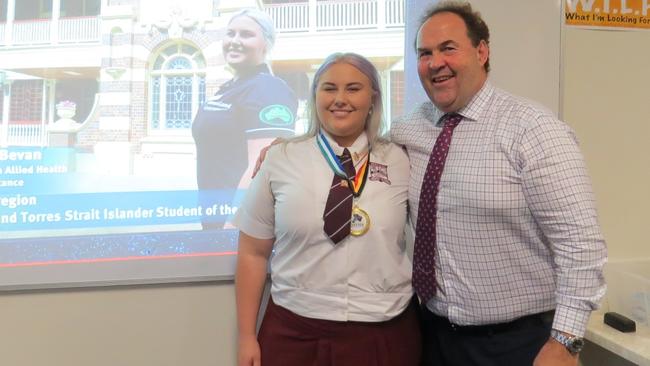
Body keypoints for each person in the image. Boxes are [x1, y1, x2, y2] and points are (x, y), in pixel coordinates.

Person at [390, 2, 607, 366]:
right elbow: (359, 157)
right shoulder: (408, 129)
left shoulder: (534, 129)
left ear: (481, 51)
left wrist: (565, 342)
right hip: (432, 336)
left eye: (448, 48)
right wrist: (289, 151)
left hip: (518, 344)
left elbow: (580, 245)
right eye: (424, 53)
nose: (435, 62)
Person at [234, 52, 420, 366]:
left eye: (353, 88)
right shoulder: (281, 158)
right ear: (315, 96)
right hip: (295, 330)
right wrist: (246, 337)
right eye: (329, 88)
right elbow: (252, 253)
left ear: (373, 97)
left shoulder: (401, 159)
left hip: (383, 332)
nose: (340, 99)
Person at [192, 8, 298, 229]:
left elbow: (263, 166)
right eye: (230, 33)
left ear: (266, 44)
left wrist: (233, 224)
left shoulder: (269, 90)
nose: (235, 41)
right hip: (214, 217)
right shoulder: (229, 88)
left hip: (242, 226)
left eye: (246, 35)